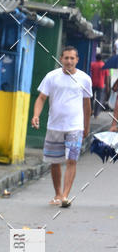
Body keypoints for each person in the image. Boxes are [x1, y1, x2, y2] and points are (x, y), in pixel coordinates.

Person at [31, 46, 92, 208]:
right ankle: (57, 193)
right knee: (55, 161)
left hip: (75, 127)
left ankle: (65, 195)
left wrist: (86, 127)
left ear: (77, 60)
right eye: (66, 58)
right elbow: (41, 98)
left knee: (72, 160)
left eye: (72, 58)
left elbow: (87, 105)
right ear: (61, 59)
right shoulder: (52, 77)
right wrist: (36, 115)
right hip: (54, 126)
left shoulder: (85, 79)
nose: (69, 61)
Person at [90, 52, 107, 117]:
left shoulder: (92, 64)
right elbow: (107, 77)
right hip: (100, 84)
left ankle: (91, 110)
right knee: (98, 99)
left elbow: (90, 72)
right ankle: (96, 114)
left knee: (91, 98)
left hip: (93, 83)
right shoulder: (104, 65)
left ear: (96, 58)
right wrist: (107, 86)